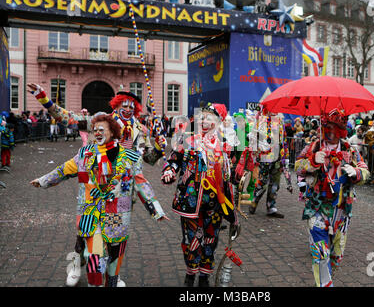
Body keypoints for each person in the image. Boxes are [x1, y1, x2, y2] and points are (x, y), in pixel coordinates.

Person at [27, 83, 166, 287]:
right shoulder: (102, 120)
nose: (127, 109)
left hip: (123, 188)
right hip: (91, 179)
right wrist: (44, 99)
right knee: (84, 232)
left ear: (135, 108)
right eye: (123, 105)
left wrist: (159, 148)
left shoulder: (140, 130)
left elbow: (148, 159)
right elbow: (67, 119)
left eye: (131, 106)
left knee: (115, 235)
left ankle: (111, 275)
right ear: (116, 105)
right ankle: (77, 263)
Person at [161, 103, 239, 287]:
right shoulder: (188, 140)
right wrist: (169, 171)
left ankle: (204, 275)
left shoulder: (226, 144)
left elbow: (233, 171)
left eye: (209, 118)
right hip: (191, 201)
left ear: (219, 122)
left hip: (216, 204)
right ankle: (191, 273)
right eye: (202, 117)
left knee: (211, 239)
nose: (204, 121)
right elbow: (174, 159)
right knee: (192, 239)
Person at [295, 108, 369, 287]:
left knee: (337, 255)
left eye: (334, 127)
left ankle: (325, 278)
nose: (329, 131)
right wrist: (312, 162)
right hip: (317, 209)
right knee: (320, 254)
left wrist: (356, 172)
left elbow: (365, 171)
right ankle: (325, 284)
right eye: (326, 126)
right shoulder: (313, 146)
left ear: (342, 129)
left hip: (341, 211)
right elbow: (297, 167)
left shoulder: (349, 149)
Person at [248, 109, 292, 218]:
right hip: (265, 157)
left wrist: (285, 155)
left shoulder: (280, 122)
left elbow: (284, 140)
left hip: (278, 157)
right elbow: (253, 136)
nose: (274, 111)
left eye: (275, 109)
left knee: (275, 183)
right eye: (271, 109)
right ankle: (254, 201)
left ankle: (271, 207)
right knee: (262, 182)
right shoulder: (261, 121)